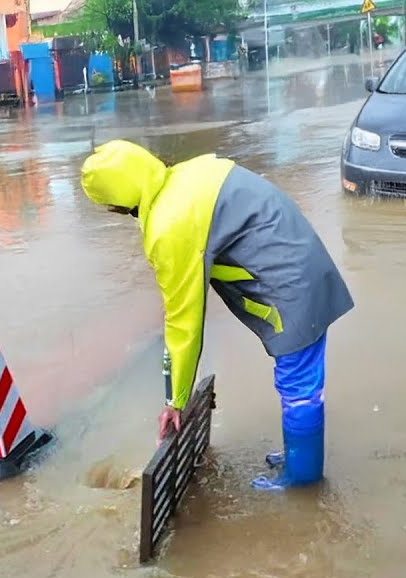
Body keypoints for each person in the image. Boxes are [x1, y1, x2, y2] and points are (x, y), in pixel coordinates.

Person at [80, 140, 354, 491]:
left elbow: (183, 321)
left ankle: (303, 481)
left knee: (299, 385)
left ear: (116, 202)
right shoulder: (192, 174)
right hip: (300, 261)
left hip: (291, 285)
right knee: (299, 380)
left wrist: (175, 401)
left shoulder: (169, 225)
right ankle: (298, 456)